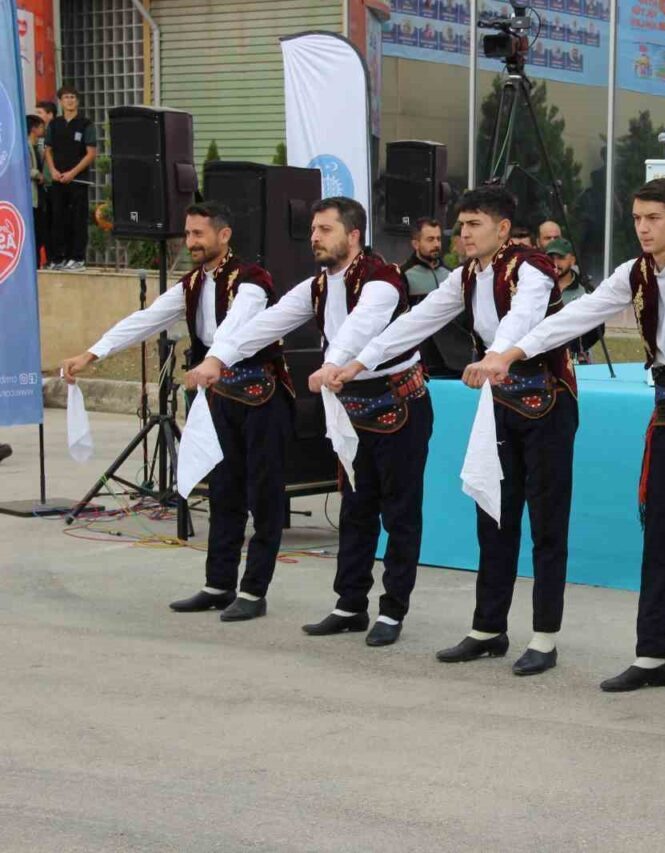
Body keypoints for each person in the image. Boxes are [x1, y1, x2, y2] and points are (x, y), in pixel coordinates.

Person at [470, 178, 665, 704]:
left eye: (654, 218)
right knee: (660, 532)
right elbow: (579, 314)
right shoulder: (633, 272)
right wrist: (511, 353)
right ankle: (651, 657)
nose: (643, 228)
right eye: (638, 218)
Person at [330, 186, 576, 677]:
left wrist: (496, 356)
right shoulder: (465, 275)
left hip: (548, 403)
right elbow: (416, 322)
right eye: (460, 225)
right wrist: (357, 362)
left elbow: (525, 316)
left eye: (474, 224)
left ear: (502, 229)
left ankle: (545, 637)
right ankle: (488, 628)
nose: (462, 234)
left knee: (546, 525)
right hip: (500, 402)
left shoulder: (530, 267)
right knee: (493, 516)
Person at [185, 197, 432, 648]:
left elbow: (362, 325)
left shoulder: (382, 279)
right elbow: (268, 323)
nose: (314, 237)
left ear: (353, 236)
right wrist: (218, 358)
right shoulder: (316, 286)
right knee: (355, 510)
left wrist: (332, 363)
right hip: (353, 409)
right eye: (314, 229)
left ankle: (392, 611)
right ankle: (350, 605)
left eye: (325, 229)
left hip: (400, 405)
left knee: (399, 514)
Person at [62, 202, 293, 621]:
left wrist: (213, 360)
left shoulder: (252, 280)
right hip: (219, 397)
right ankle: (218, 585)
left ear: (224, 235)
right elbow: (146, 319)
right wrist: (92, 353)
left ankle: (254, 592)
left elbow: (236, 326)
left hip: (262, 399)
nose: (191, 242)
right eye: (187, 234)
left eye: (198, 234)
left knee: (264, 496)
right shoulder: (192, 284)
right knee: (223, 491)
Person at [402, 216, 472, 378]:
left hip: (455, 359)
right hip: (422, 359)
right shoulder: (404, 275)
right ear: (415, 244)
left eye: (438, 239)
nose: (436, 244)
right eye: (430, 239)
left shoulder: (450, 274)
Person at [44, 85, 97, 272]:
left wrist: (72, 173)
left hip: (78, 181)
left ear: (78, 101)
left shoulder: (86, 124)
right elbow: (48, 150)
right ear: (60, 101)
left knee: (78, 219)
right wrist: (52, 170)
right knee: (58, 219)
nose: (69, 100)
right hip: (58, 180)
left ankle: (77, 258)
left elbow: (91, 153)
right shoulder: (54, 124)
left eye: (73, 97)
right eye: (66, 97)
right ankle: (59, 258)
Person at [544, 237, 601, 364]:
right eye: (551, 258)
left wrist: (579, 347)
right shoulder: (539, 288)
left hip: (578, 359)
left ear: (573, 260)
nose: (555, 263)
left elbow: (598, 327)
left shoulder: (585, 290)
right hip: (544, 359)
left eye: (561, 258)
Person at [34, 101, 56, 268]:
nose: (37, 116)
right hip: (41, 188)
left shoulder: (55, 135)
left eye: (40, 112)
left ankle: (53, 258)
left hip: (53, 185)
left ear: (50, 115)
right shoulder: (36, 139)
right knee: (42, 225)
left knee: (52, 224)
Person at [26, 115, 45, 263]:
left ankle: (37, 261)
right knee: (34, 231)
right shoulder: (25, 146)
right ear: (33, 128)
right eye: (41, 127)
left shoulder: (37, 146)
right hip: (31, 197)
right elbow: (25, 169)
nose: (43, 130)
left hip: (39, 196)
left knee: (39, 230)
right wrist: (37, 174)